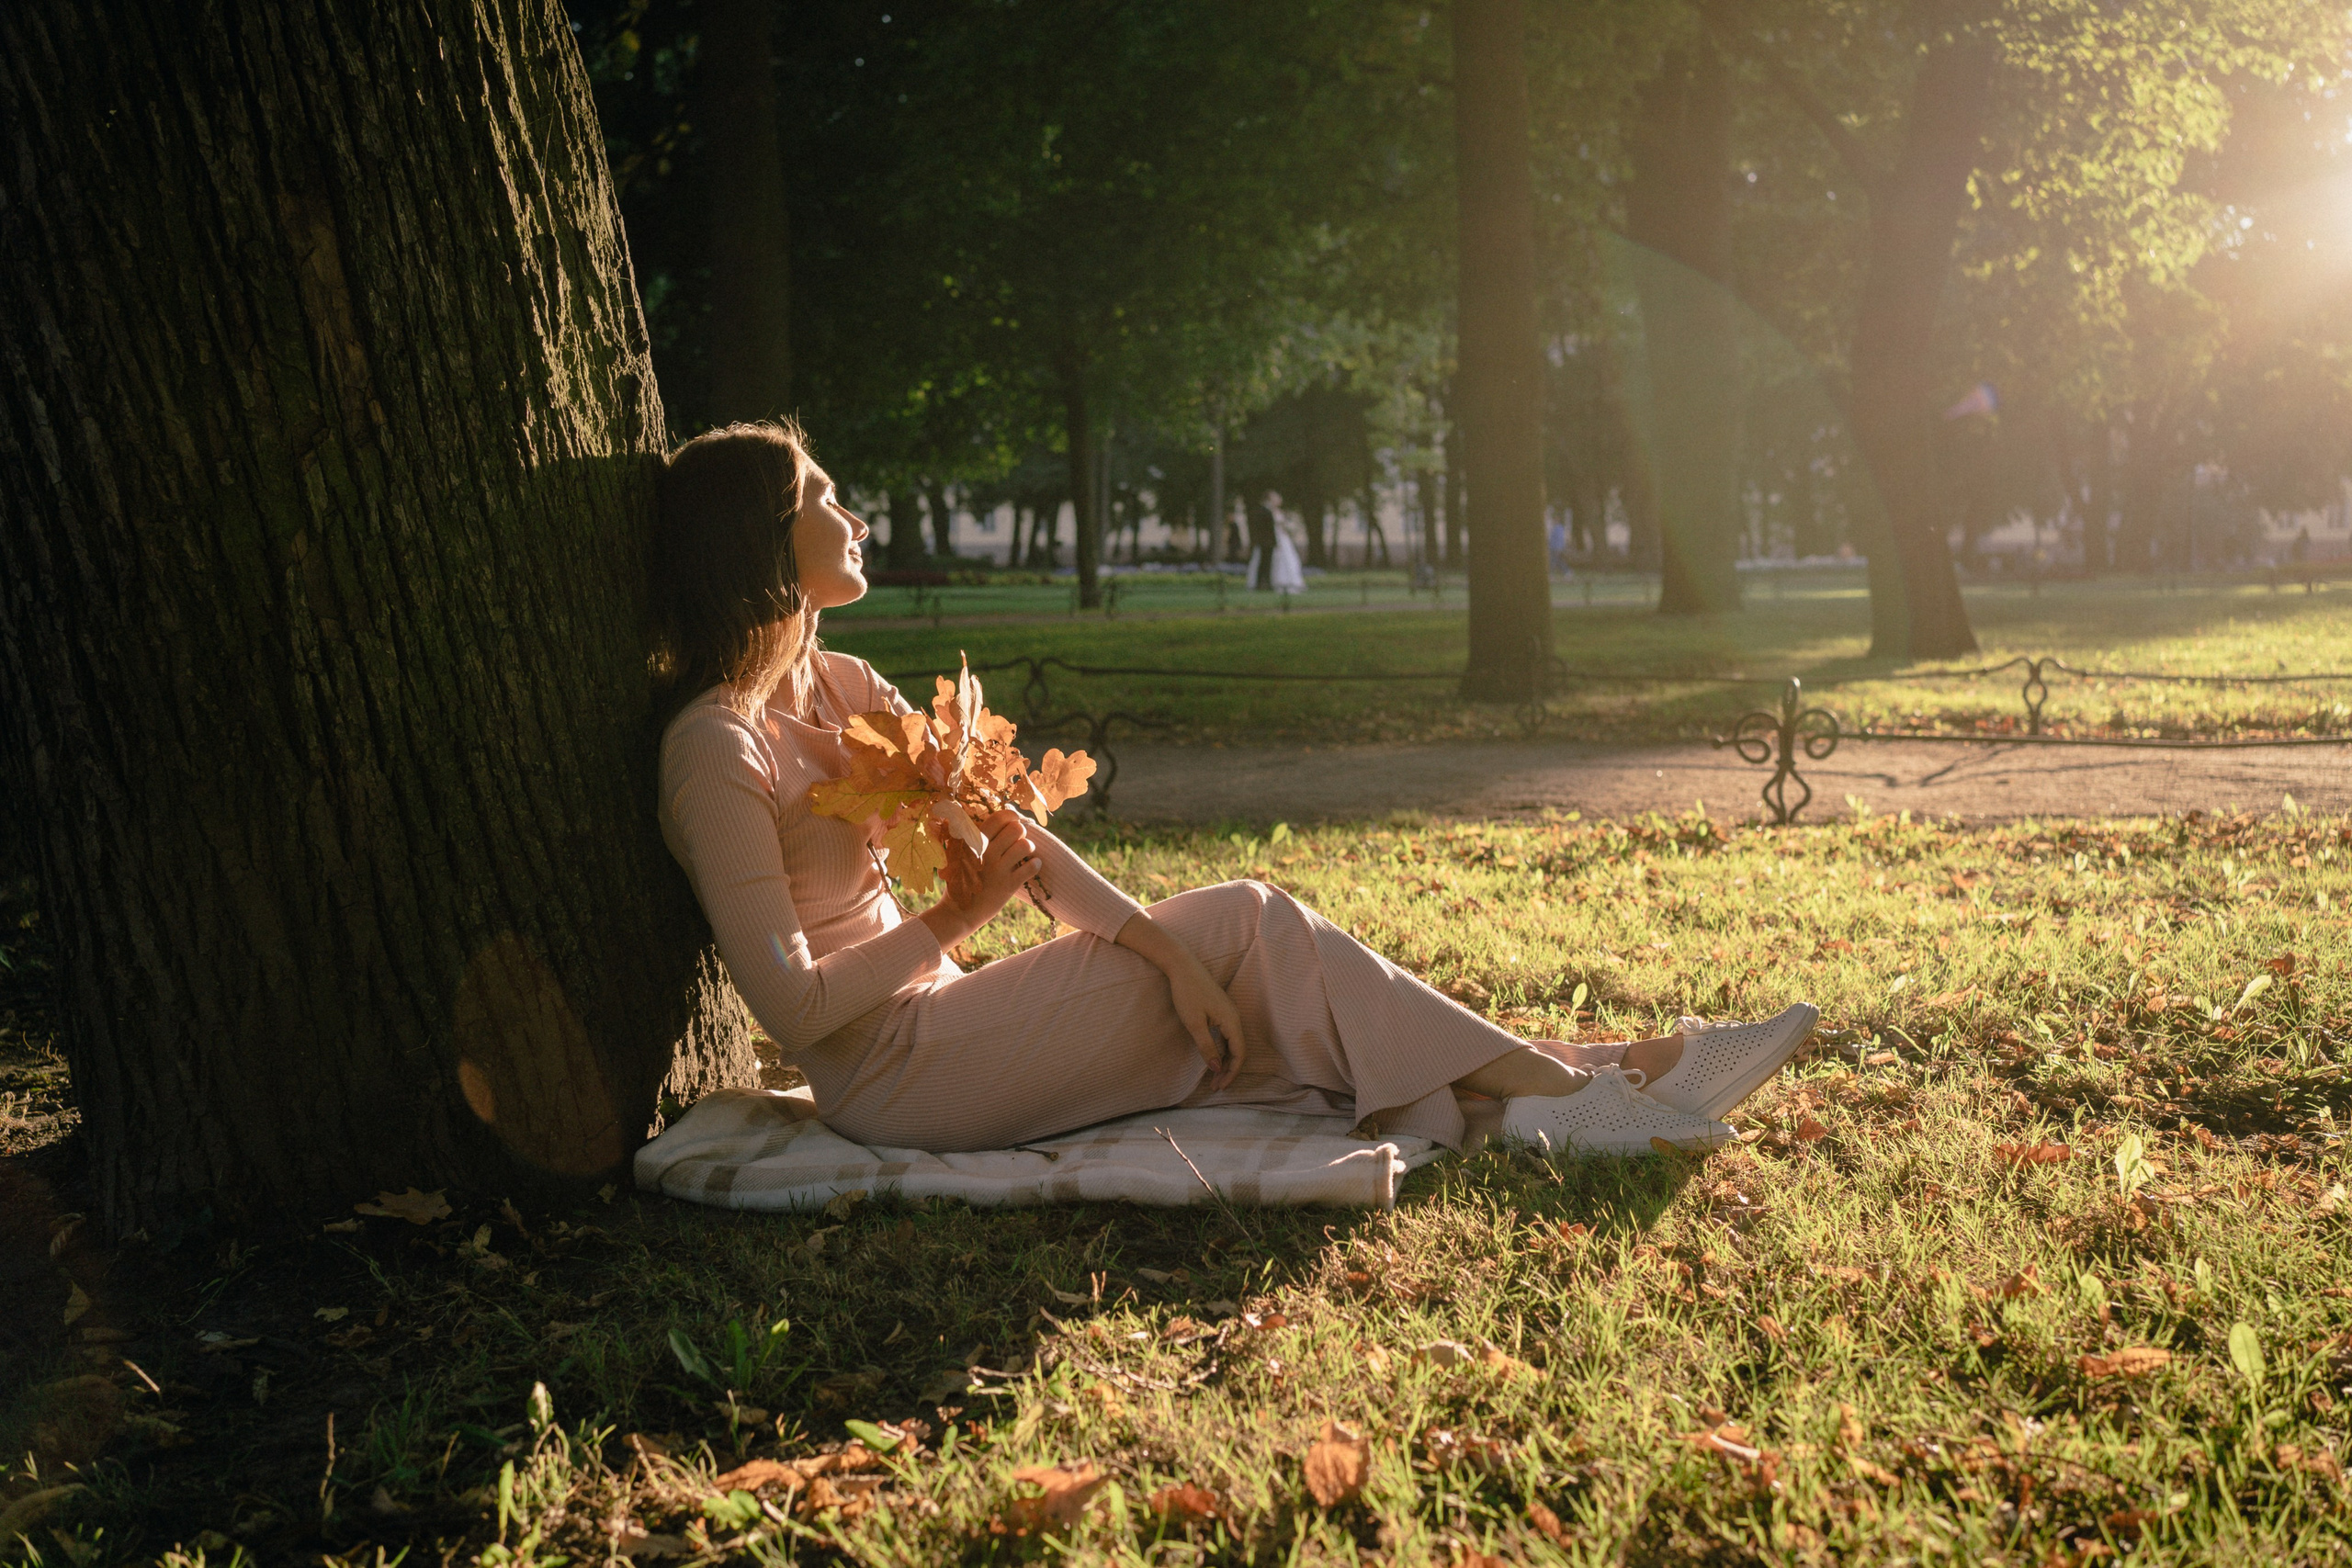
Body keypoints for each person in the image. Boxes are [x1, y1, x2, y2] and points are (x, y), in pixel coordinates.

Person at [652, 422, 1818, 1161]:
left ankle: (1612, 1075)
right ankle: (1588, 1092)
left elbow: (1011, 837)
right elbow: (794, 1015)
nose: (851, 517)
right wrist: (955, 919)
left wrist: (1160, 957)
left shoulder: (843, 680)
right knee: (1254, 925)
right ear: (762, 540)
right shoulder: (717, 750)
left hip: (956, 1014)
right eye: (821, 494)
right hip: (896, 1077)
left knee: (1257, 989)